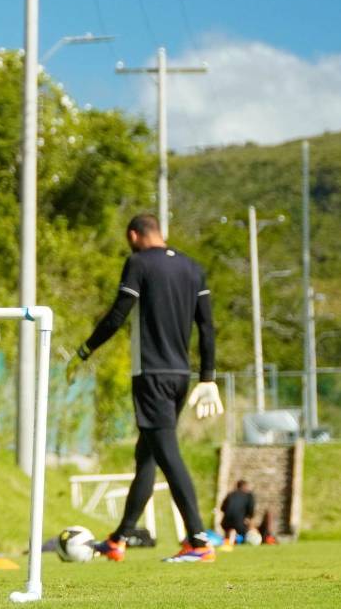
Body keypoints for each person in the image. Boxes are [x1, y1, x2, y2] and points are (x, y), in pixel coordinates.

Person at [72, 213, 224, 564]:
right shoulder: (192, 267)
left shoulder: (138, 263)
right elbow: (208, 327)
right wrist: (208, 377)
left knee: (167, 453)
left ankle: (199, 540)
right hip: (179, 376)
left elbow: (118, 314)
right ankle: (119, 538)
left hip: (151, 374)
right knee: (148, 454)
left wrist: (86, 349)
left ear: (134, 235)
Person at [219, 479, 256, 550]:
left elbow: (222, 508)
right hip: (239, 522)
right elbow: (251, 510)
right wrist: (248, 518)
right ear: (245, 486)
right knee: (243, 529)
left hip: (226, 521)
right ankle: (240, 543)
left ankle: (228, 543)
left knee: (230, 529)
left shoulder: (230, 494)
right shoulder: (248, 495)